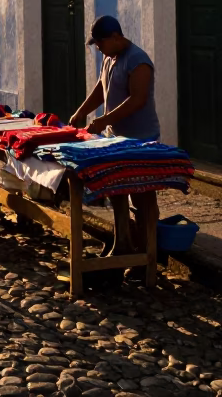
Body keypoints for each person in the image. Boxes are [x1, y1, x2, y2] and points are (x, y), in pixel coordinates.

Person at [68, 14, 160, 261]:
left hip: (140, 139)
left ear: (116, 37)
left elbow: (138, 99)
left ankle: (146, 254)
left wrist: (104, 120)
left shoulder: (138, 61)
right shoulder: (110, 58)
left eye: (100, 43)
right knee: (116, 192)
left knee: (142, 197)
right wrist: (80, 113)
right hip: (115, 138)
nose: (98, 49)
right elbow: (101, 88)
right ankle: (122, 244)